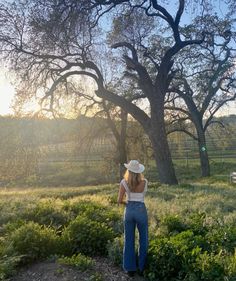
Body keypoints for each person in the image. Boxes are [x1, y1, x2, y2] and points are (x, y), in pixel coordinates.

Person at [117, 160, 148, 278]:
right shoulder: (144, 182)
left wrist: (128, 204)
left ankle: (130, 269)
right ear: (139, 171)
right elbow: (142, 195)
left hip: (129, 210)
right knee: (143, 238)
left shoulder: (123, 182)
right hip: (141, 209)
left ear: (128, 171)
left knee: (128, 239)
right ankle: (142, 267)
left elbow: (119, 201)